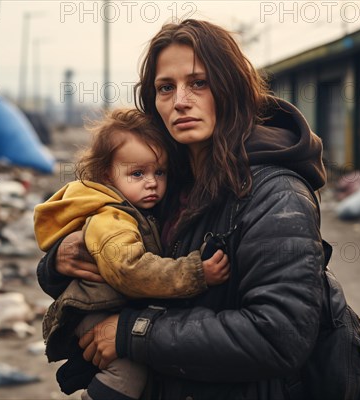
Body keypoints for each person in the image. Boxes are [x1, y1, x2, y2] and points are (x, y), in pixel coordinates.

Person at [38, 19, 328, 399]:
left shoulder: (277, 195)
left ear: (231, 88)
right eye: (165, 88)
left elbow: (278, 335)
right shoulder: (162, 182)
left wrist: (132, 334)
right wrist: (58, 262)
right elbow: (124, 265)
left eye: (198, 83)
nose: (180, 101)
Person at [34, 108, 229, 400]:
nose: (151, 182)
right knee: (127, 374)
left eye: (159, 172)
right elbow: (131, 271)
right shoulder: (110, 218)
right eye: (137, 173)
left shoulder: (138, 207)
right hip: (94, 310)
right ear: (106, 175)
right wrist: (196, 272)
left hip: (110, 306)